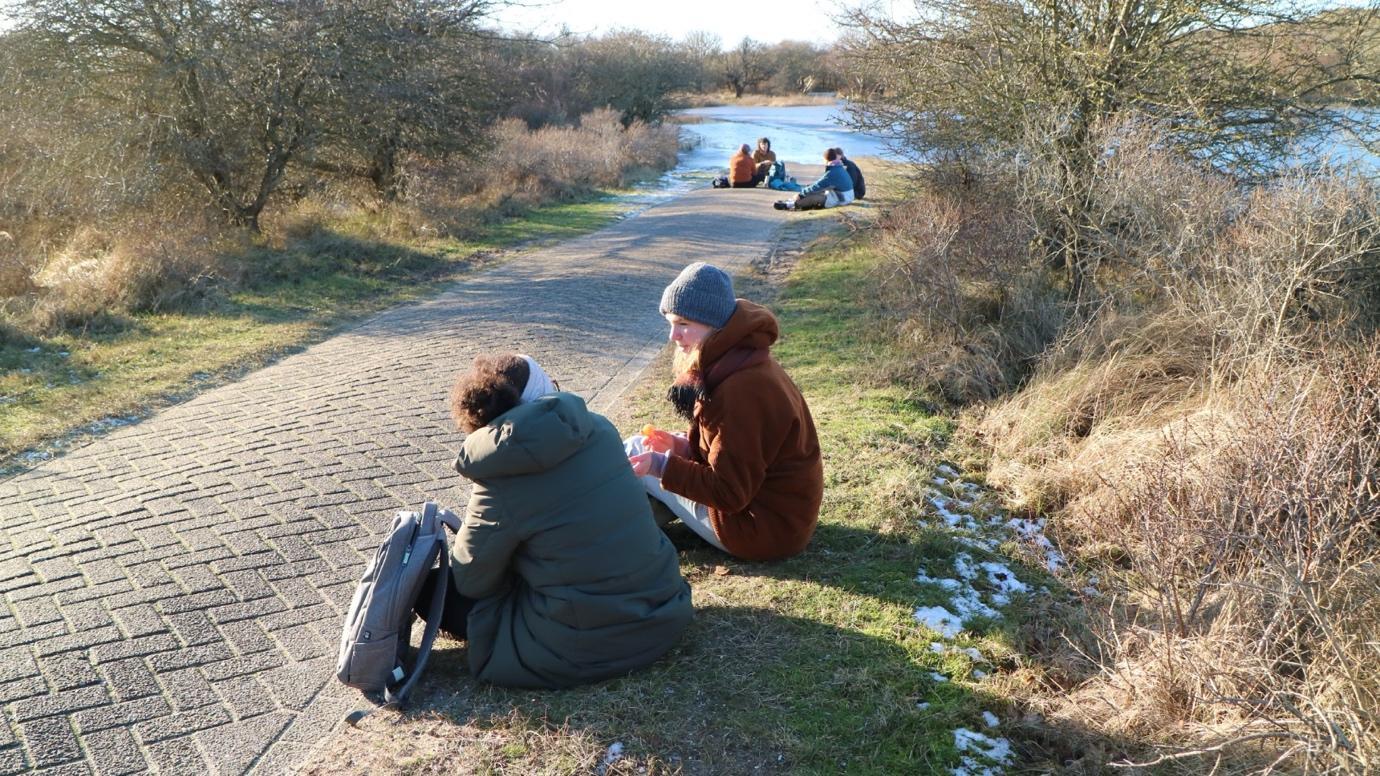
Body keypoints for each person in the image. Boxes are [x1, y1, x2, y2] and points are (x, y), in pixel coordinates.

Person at [417, 353, 693, 689]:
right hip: (665, 612)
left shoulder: (498, 479)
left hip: (589, 645)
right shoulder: (601, 428)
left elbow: (471, 581)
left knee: (430, 589)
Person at [626, 263, 824, 561]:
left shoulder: (741, 390)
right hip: (777, 518)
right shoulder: (739, 359)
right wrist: (681, 446)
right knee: (640, 449)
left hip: (763, 531)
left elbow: (730, 492)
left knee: (636, 455)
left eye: (683, 324)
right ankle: (634, 524)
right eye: (670, 323)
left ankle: (609, 534)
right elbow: (729, 449)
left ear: (714, 324)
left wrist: (661, 466)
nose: (673, 336)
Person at [773, 149, 854, 211]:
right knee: (812, 190)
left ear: (826, 159)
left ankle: (790, 205)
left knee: (814, 197)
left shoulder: (833, 172)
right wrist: (805, 191)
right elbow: (820, 184)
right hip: (844, 195)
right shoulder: (838, 167)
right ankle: (792, 201)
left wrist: (801, 195)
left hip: (842, 198)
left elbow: (817, 186)